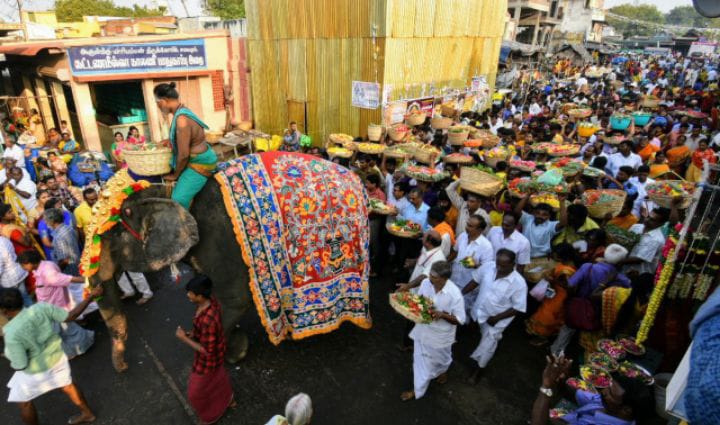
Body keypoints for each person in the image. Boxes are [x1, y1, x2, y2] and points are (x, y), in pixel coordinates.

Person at [1, 284, 102, 425]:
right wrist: (91, 296)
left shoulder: (11, 333)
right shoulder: (41, 307)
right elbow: (71, 315)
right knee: (68, 385)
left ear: (5, 311)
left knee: (23, 402)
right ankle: (87, 414)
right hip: (58, 357)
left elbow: (21, 364)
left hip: (35, 371)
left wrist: (9, 356)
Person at [396, 261, 465, 401]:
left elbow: (460, 320)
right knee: (421, 362)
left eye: (433, 275)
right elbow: (420, 302)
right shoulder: (426, 283)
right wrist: (406, 304)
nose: (430, 277)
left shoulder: (455, 294)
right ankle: (417, 390)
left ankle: (443, 370)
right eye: (431, 273)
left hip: (441, 335)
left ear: (444, 278)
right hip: (423, 329)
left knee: (444, 357)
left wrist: (443, 315)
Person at [550, 244, 631, 357]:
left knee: (568, 329)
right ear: (620, 262)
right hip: (598, 311)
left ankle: (556, 352)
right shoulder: (622, 279)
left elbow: (571, 284)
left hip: (578, 305)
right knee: (590, 335)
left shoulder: (588, 267)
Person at [175, 275, 234, 424]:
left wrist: (184, 338)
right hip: (218, 352)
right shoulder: (209, 302)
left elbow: (207, 351)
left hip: (208, 359)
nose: (188, 295)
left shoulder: (208, 320)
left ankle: (210, 416)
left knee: (195, 393)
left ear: (200, 296)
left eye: (191, 293)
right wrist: (194, 333)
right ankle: (229, 399)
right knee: (218, 376)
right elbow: (204, 331)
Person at [530, 354, 651, 425]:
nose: (603, 391)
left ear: (626, 410)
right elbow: (571, 393)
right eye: (607, 388)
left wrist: (546, 387)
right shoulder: (609, 405)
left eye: (610, 393)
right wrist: (561, 378)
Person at [18, 250, 94, 359]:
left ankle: (77, 348)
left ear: (30, 262)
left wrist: (88, 280)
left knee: (63, 332)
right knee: (67, 331)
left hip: (55, 308)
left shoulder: (47, 273)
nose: (23, 268)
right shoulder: (44, 266)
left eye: (23, 265)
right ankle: (80, 345)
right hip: (52, 307)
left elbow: (69, 279)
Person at [154, 82, 218, 209]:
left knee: (177, 200)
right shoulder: (182, 111)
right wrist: (170, 140)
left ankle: (188, 228)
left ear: (165, 101)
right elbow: (187, 138)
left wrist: (175, 175)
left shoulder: (181, 120)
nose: (158, 107)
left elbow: (183, 155)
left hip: (200, 163)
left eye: (158, 103)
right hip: (199, 156)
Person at [467, 249, 527, 384]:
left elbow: (518, 307)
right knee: (478, 333)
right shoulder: (489, 267)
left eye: (503, 266)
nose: (499, 268)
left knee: (488, 346)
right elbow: (475, 280)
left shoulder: (519, 283)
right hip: (479, 311)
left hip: (496, 320)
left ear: (513, 264)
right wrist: (461, 293)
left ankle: (478, 371)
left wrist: (497, 318)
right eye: (498, 264)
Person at [525, 243, 578, 346]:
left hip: (559, 297)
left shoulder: (565, 272)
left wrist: (553, 281)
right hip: (556, 294)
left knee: (547, 316)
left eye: (556, 254)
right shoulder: (568, 264)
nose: (554, 256)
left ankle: (543, 337)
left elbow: (570, 288)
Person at [447, 214, 494, 310]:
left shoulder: (486, 246)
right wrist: (445, 262)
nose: (466, 227)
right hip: (453, 280)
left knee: (459, 311)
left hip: (467, 286)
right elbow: (455, 252)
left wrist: (475, 265)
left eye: (470, 226)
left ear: (480, 230)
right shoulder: (462, 236)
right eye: (467, 224)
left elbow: (486, 270)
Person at [0, 235, 31, 306]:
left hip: (9, 280)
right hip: (18, 271)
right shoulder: (4, 239)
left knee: (17, 303)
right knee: (25, 297)